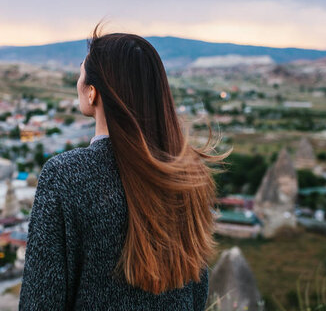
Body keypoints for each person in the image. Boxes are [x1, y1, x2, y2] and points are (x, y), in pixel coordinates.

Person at [19, 24, 227, 310]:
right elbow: (196, 294)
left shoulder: (66, 175)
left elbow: (41, 300)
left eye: (81, 74)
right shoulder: (187, 174)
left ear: (92, 92)